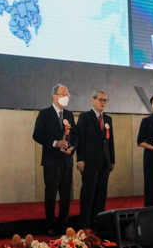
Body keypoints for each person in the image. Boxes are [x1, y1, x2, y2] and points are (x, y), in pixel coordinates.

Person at [32, 84, 76, 236]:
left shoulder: (69, 115)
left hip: (66, 160)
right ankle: (50, 225)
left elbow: (74, 136)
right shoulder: (45, 114)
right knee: (51, 193)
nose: (66, 97)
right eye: (63, 94)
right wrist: (55, 143)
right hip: (51, 160)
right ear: (54, 96)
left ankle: (63, 225)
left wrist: (72, 147)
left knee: (65, 194)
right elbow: (37, 135)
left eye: (68, 94)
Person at [76, 90, 115, 230]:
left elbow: (110, 141)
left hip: (105, 162)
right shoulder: (85, 117)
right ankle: (85, 224)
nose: (103, 102)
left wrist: (112, 160)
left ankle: (97, 222)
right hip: (89, 162)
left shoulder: (108, 119)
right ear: (93, 100)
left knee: (101, 194)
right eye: (100, 99)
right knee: (88, 193)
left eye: (105, 100)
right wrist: (80, 160)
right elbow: (79, 139)